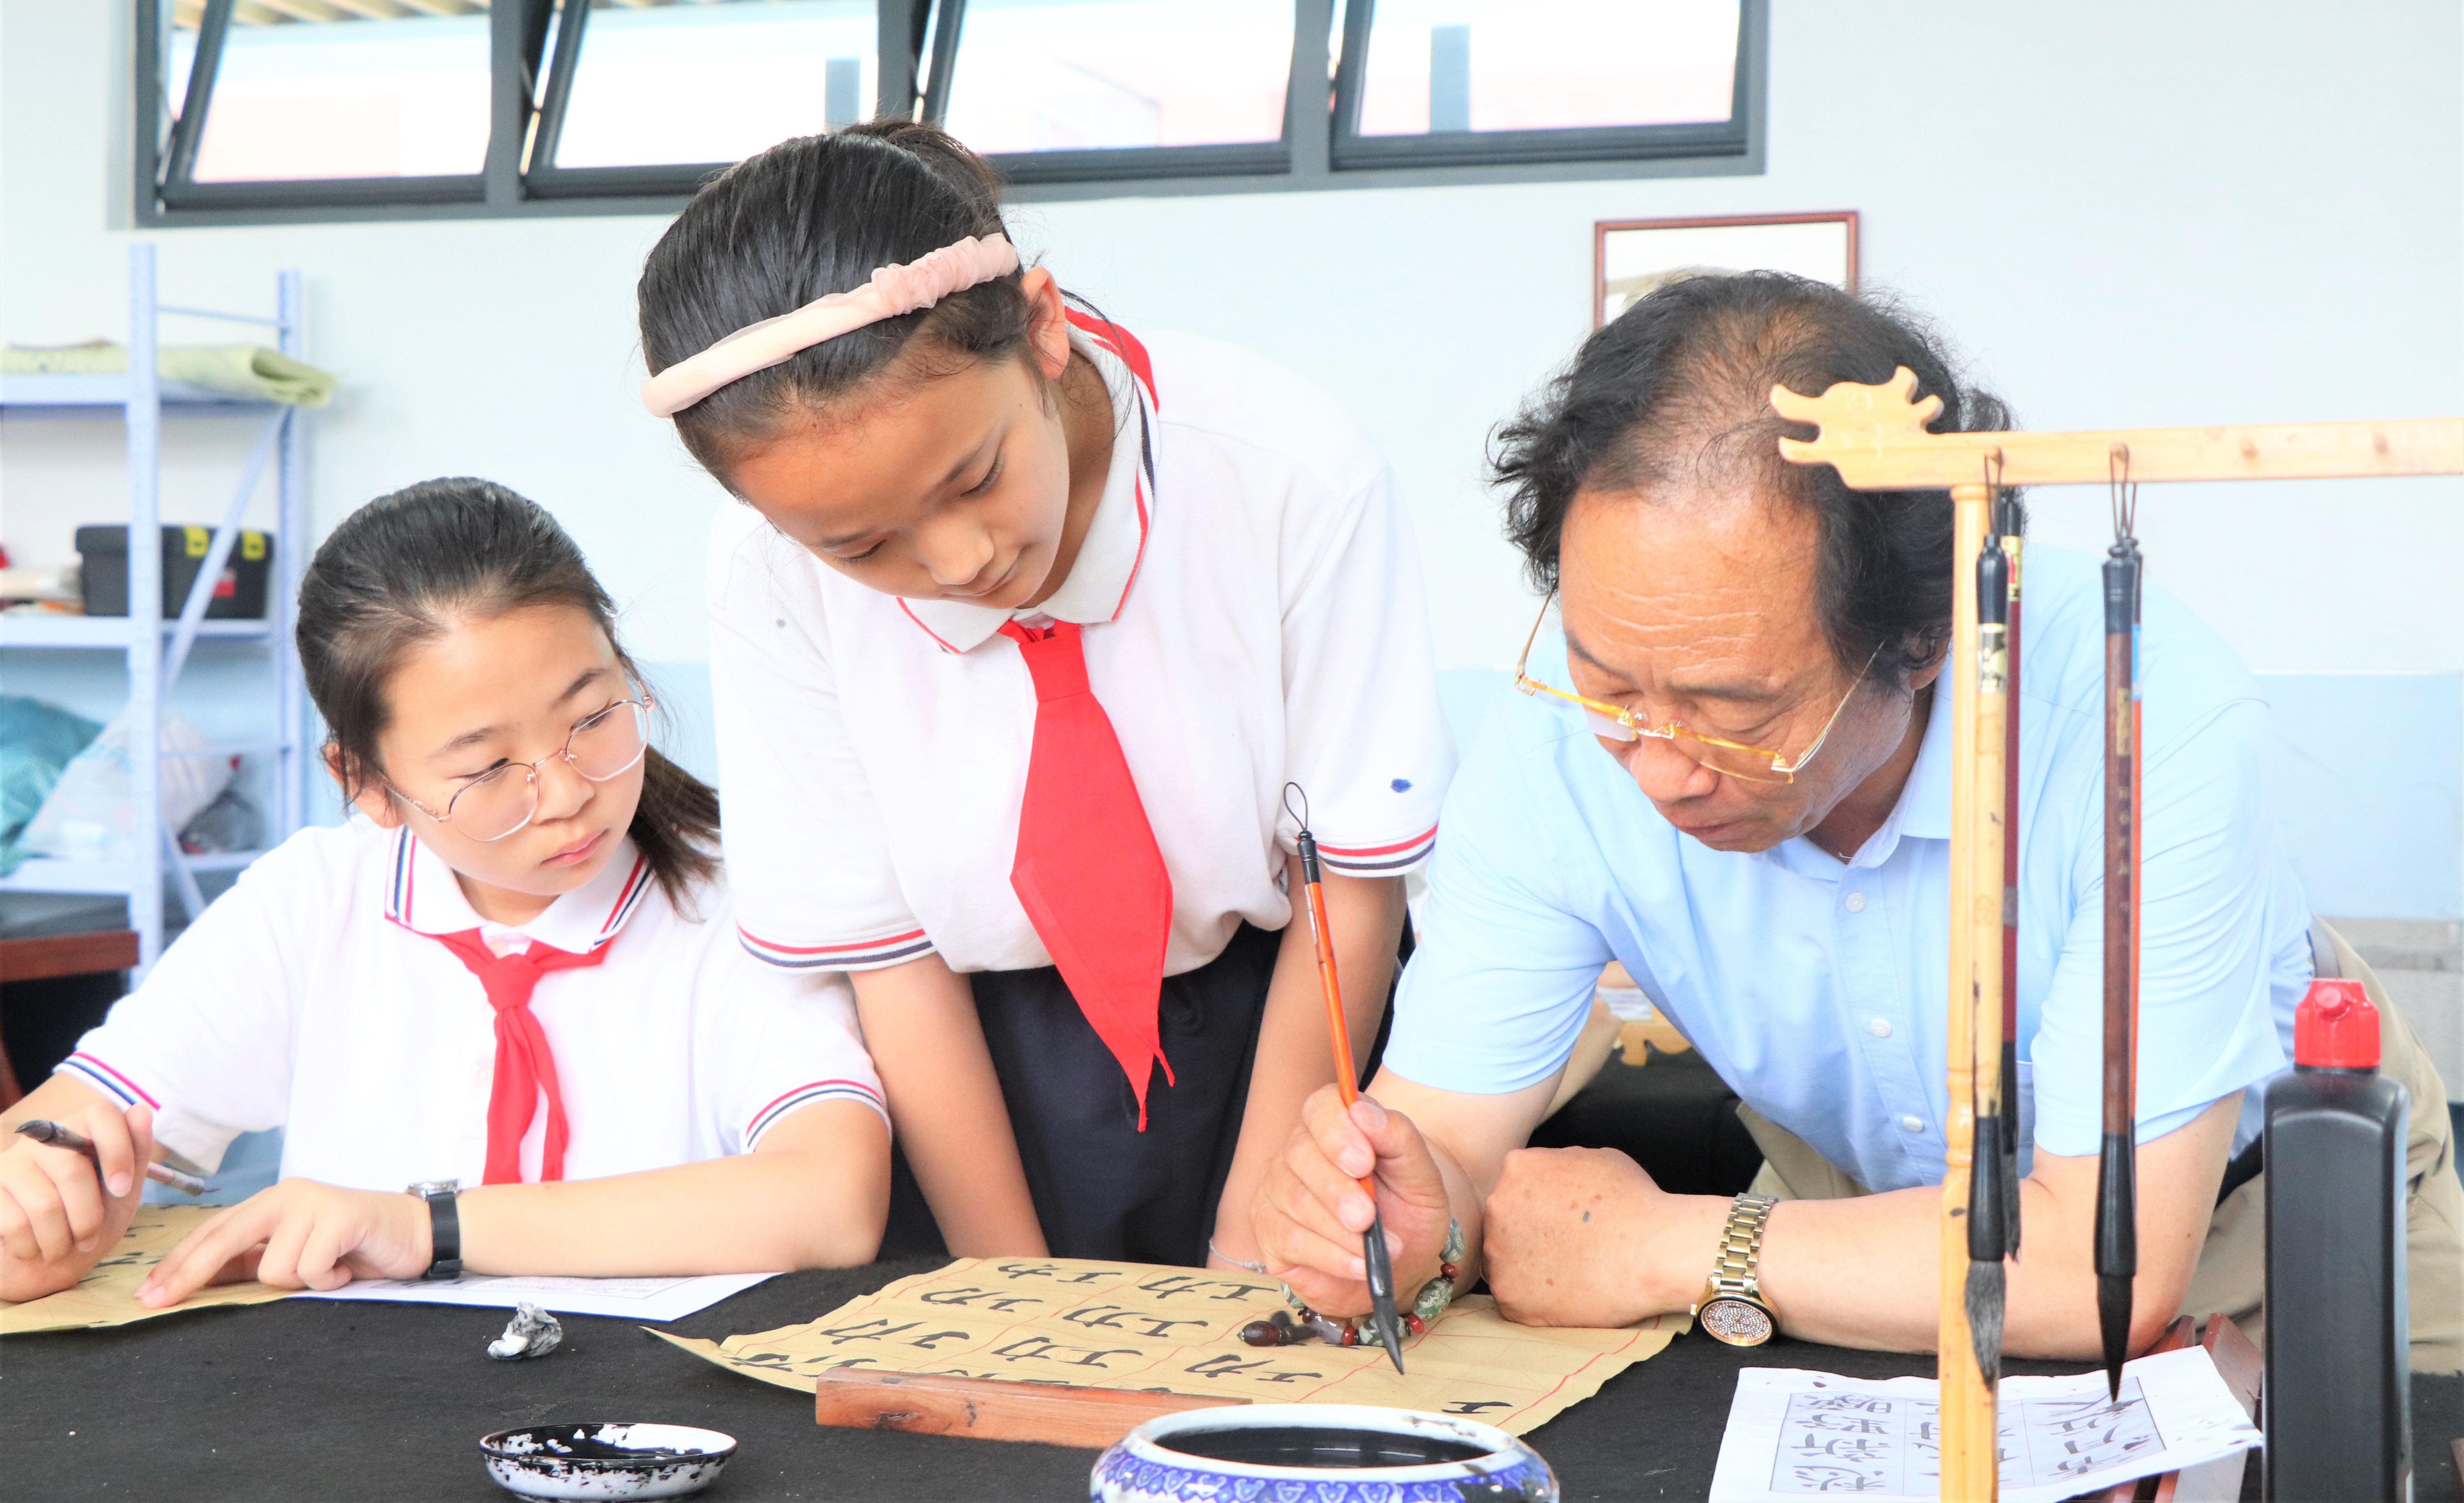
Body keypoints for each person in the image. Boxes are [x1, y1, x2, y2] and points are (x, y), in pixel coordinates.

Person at [1254, 273, 2459, 1367]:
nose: (1661, 767)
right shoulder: (1562, 745)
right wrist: (1411, 1215)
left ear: (1925, 640)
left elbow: (2105, 1266)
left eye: (1734, 711)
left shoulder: (2146, 720)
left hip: (2272, 1224)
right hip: (1848, 1255)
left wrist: (1675, 1248)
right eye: (1610, 684)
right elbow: (1448, 1140)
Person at [634, 122, 1453, 1268]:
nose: (961, 560)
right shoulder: (766, 571)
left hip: (1283, 1035)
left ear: (1044, 328)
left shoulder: (1286, 473)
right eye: (864, 546)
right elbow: (890, 957)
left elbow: (1351, 894)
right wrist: (1013, 1295)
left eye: (974, 478)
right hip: (965, 1072)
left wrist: (1256, 1238)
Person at [0, 479, 892, 1306]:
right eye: (487, 766)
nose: (568, 791)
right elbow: (63, 1127)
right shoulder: (315, 899)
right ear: (368, 783)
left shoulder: (738, 895)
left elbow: (831, 1198)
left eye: (593, 716)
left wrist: (424, 1225)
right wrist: (46, 1198)